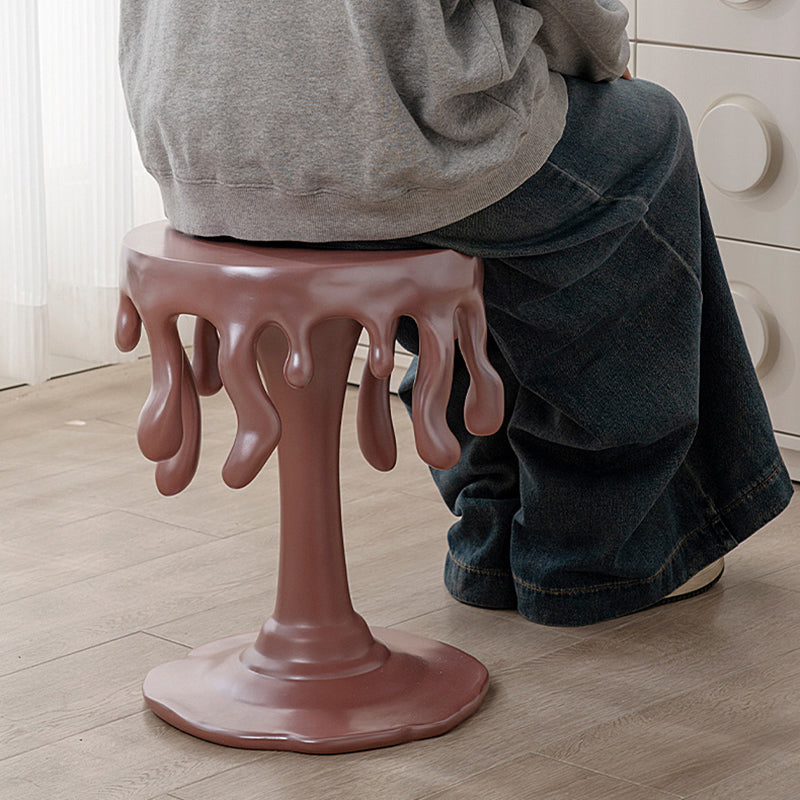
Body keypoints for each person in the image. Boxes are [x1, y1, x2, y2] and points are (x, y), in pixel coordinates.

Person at [119, 0, 793, 626]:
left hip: (195, 152)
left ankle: (489, 532)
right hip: (382, 146)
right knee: (649, 129)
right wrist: (600, 51)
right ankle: (603, 554)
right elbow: (572, 17)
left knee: (483, 216)